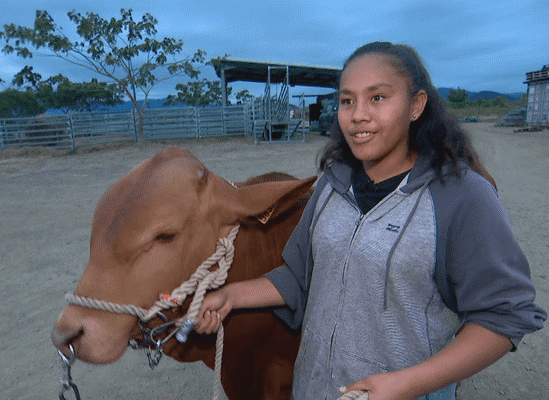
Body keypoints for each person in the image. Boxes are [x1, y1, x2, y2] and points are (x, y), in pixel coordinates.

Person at [195, 42, 547, 400]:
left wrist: (409, 383)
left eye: (377, 98)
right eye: (347, 101)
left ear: (416, 106)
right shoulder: (331, 186)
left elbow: (504, 316)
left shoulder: (461, 196)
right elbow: (300, 276)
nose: (358, 115)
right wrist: (230, 295)